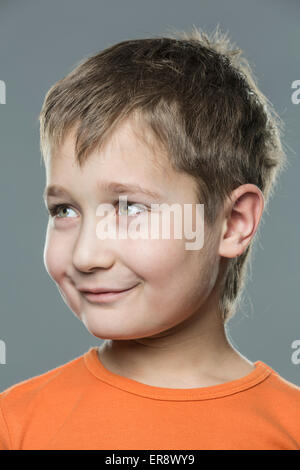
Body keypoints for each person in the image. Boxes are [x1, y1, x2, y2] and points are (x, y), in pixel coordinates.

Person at [0, 25, 299, 450]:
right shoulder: (16, 426)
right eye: (64, 210)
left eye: (129, 207)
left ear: (232, 223)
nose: (86, 255)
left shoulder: (289, 428)